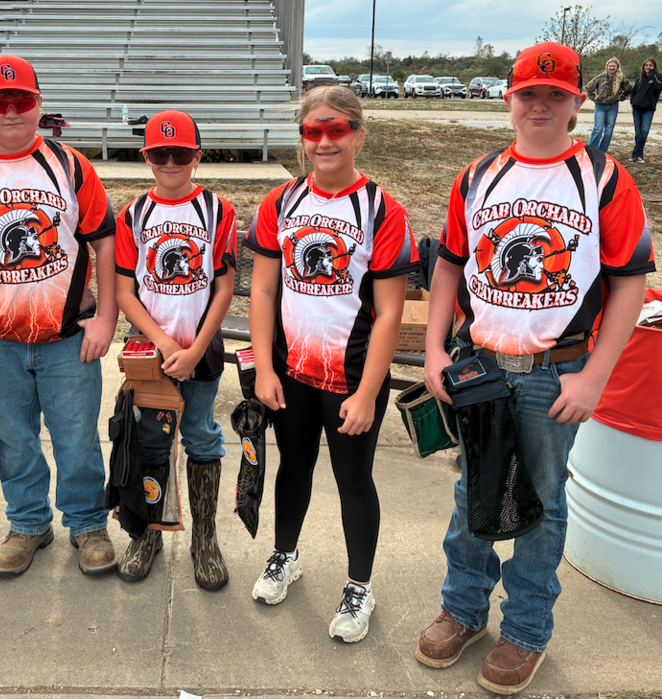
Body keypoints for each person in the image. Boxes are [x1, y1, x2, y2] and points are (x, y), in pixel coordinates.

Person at [416, 42, 653, 694]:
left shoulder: (605, 180)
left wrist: (597, 375)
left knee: (541, 502)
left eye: (555, 94)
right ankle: (462, 606)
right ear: (509, 100)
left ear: (579, 102)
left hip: (557, 369)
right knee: (473, 492)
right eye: (529, 93)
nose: (541, 104)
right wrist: (436, 349)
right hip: (484, 364)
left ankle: (525, 628)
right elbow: (447, 268)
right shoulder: (478, 175)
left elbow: (631, 282)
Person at [0, 54, 119, 577]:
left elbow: (105, 244)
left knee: (76, 432)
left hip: (67, 334)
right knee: (13, 434)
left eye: (22, 100)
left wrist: (106, 320)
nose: (11, 110)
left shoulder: (70, 164)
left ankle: (87, 522)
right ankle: (28, 522)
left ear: (38, 105)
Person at [245, 86, 418, 642]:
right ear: (302, 138)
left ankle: (359, 586)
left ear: (358, 135)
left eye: (337, 129)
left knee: (353, 481)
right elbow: (265, 292)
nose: (325, 141)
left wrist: (368, 393)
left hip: (353, 375)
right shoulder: (278, 204)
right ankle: (284, 556)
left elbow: (390, 312)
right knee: (293, 469)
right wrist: (266, 370)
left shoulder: (383, 209)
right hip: (291, 371)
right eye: (313, 131)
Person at [114, 110, 238, 590]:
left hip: (201, 351)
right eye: (159, 154)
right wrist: (165, 344)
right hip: (150, 354)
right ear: (146, 157)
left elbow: (224, 287)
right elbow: (125, 292)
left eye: (180, 154)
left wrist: (193, 347)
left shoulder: (217, 210)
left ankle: (204, 539)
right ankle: (148, 533)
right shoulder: (133, 214)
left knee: (202, 438)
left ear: (196, 157)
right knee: (150, 442)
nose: (170, 162)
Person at [586, 56, 632, 152]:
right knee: (598, 129)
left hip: (613, 106)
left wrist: (622, 97)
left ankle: (602, 151)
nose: (611, 68)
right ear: (607, 67)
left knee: (609, 130)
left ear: (617, 67)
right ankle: (591, 150)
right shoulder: (600, 77)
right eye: (610, 66)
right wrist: (593, 98)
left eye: (614, 66)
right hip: (600, 106)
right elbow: (588, 88)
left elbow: (630, 89)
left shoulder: (621, 78)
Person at [630, 57, 662, 162]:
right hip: (637, 109)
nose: (648, 67)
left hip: (648, 109)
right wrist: (633, 101)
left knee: (644, 131)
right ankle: (637, 155)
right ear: (643, 67)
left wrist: (653, 74)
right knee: (638, 132)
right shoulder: (639, 79)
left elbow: (658, 87)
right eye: (646, 65)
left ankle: (636, 154)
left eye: (650, 65)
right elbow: (634, 92)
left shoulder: (658, 77)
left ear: (654, 67)